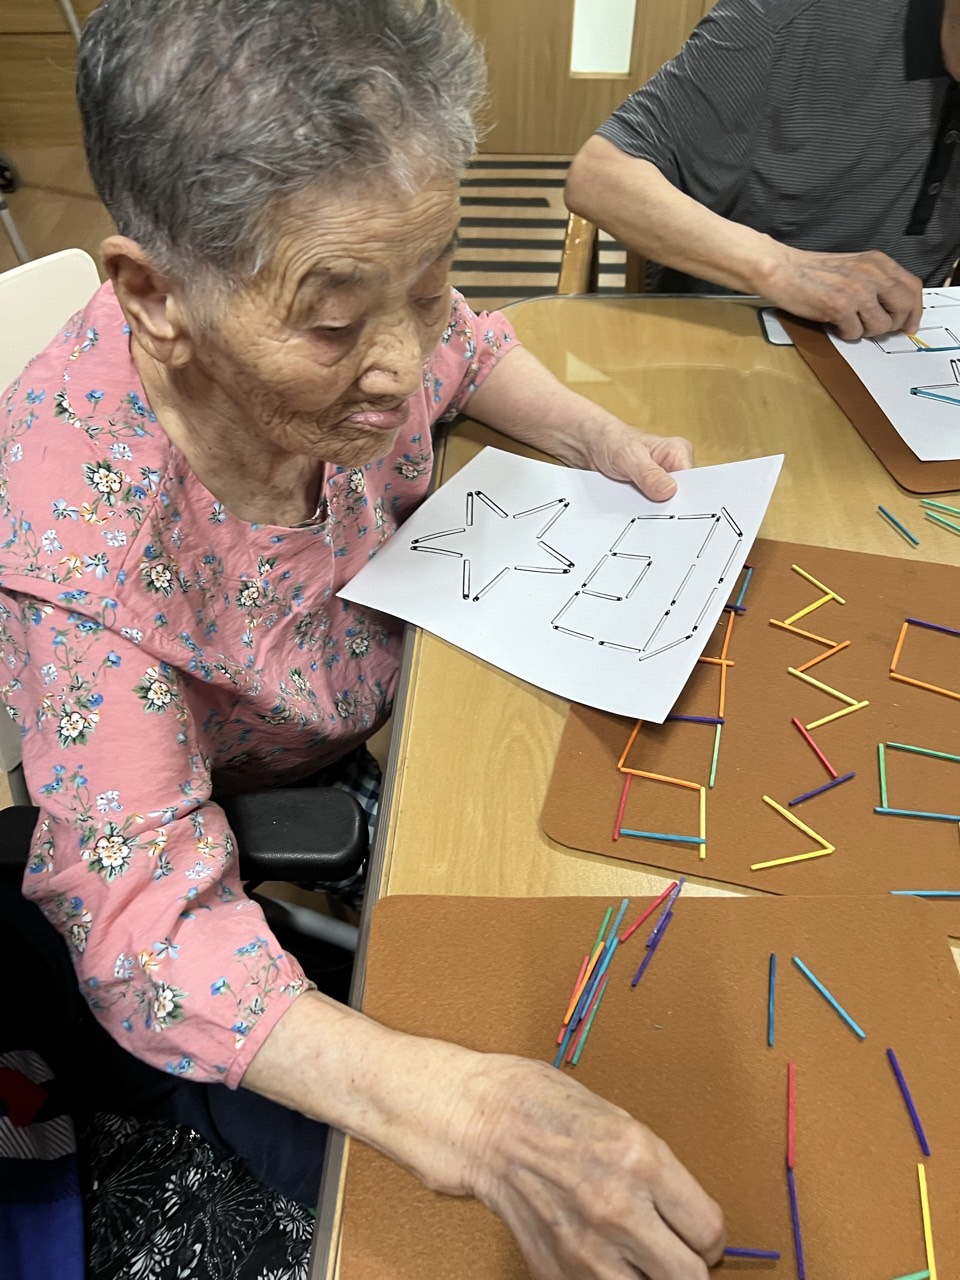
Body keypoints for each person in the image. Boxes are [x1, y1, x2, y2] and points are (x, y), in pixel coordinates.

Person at [0, 1, 726, 1275]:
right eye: (334, 326)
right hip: (254, 782)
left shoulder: (362, 303)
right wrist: (470, 1113)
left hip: (408, 672)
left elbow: (468, 353)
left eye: (429, 283)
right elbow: (145, 927)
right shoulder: (77, 539)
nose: (400, 367)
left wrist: (599, 438)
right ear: (154, 294)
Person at [566, 0, 960, 340]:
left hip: (902, 343)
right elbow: (599, 177)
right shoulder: (789, 15)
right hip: (730, 330)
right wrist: (782, 268)